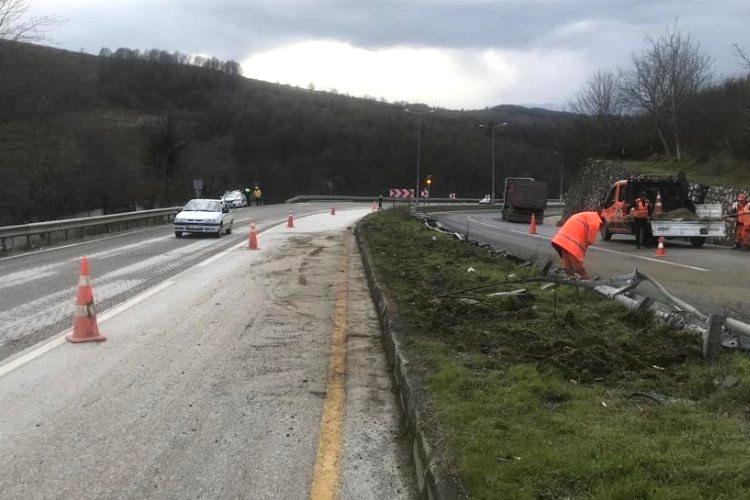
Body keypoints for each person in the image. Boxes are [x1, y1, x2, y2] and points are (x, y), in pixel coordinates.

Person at [551, 210, 604, 279]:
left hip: (561, 240)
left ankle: (569, 282)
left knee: (568, 264)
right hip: (571, 243)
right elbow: (590, 239)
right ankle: (586, 282)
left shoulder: (586, 216)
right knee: (578, 268)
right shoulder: (596, 221)